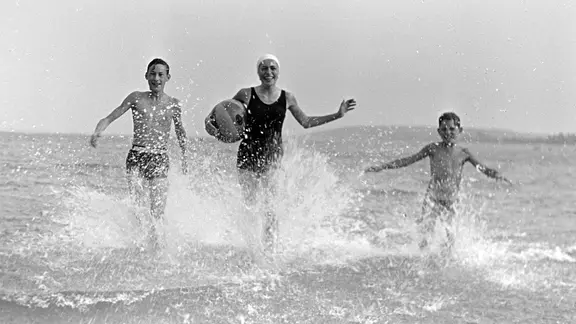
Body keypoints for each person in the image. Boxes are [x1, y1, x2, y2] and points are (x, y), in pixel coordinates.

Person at [205, 54, 357, 254]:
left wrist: (337, 115)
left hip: (273, 157)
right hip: (247, 155)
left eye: (273, 68)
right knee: (250, 205)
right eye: (264, 68)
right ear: (258, 72)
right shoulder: (246, 94)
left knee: (270, 209)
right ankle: (251, 250)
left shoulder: (288, 98)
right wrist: (214, 129)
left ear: (278, 72)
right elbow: (221, 116)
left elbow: (306, 122)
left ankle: (269, 253)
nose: (268, 72)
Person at [364, 112, 511, 252]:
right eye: (444, 129)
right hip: (432, 198)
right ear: (439, 131)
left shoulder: (463, 153)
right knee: (426, 233)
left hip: (451, 200)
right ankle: (421, 259)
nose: (448, 132)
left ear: (460, 130)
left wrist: (497, 175)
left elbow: (482, 168)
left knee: (450, 237)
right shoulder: (432, 148)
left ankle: (446, 268)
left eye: (452, 129)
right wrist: (382, 167)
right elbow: (408, 160)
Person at [90, 58, 188, 246]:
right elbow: (112, 115)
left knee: (157, 211)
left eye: (161, 74)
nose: (156, 78)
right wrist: (98, 131)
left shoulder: (174, 104)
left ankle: (158, 246)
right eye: (152, 74)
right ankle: (141, 244)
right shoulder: (136, 98)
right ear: (146, 76)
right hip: (136, 156)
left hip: (159, 157)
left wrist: (184, 157)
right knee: (139, 208)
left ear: (168, 77)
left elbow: (180, 132)